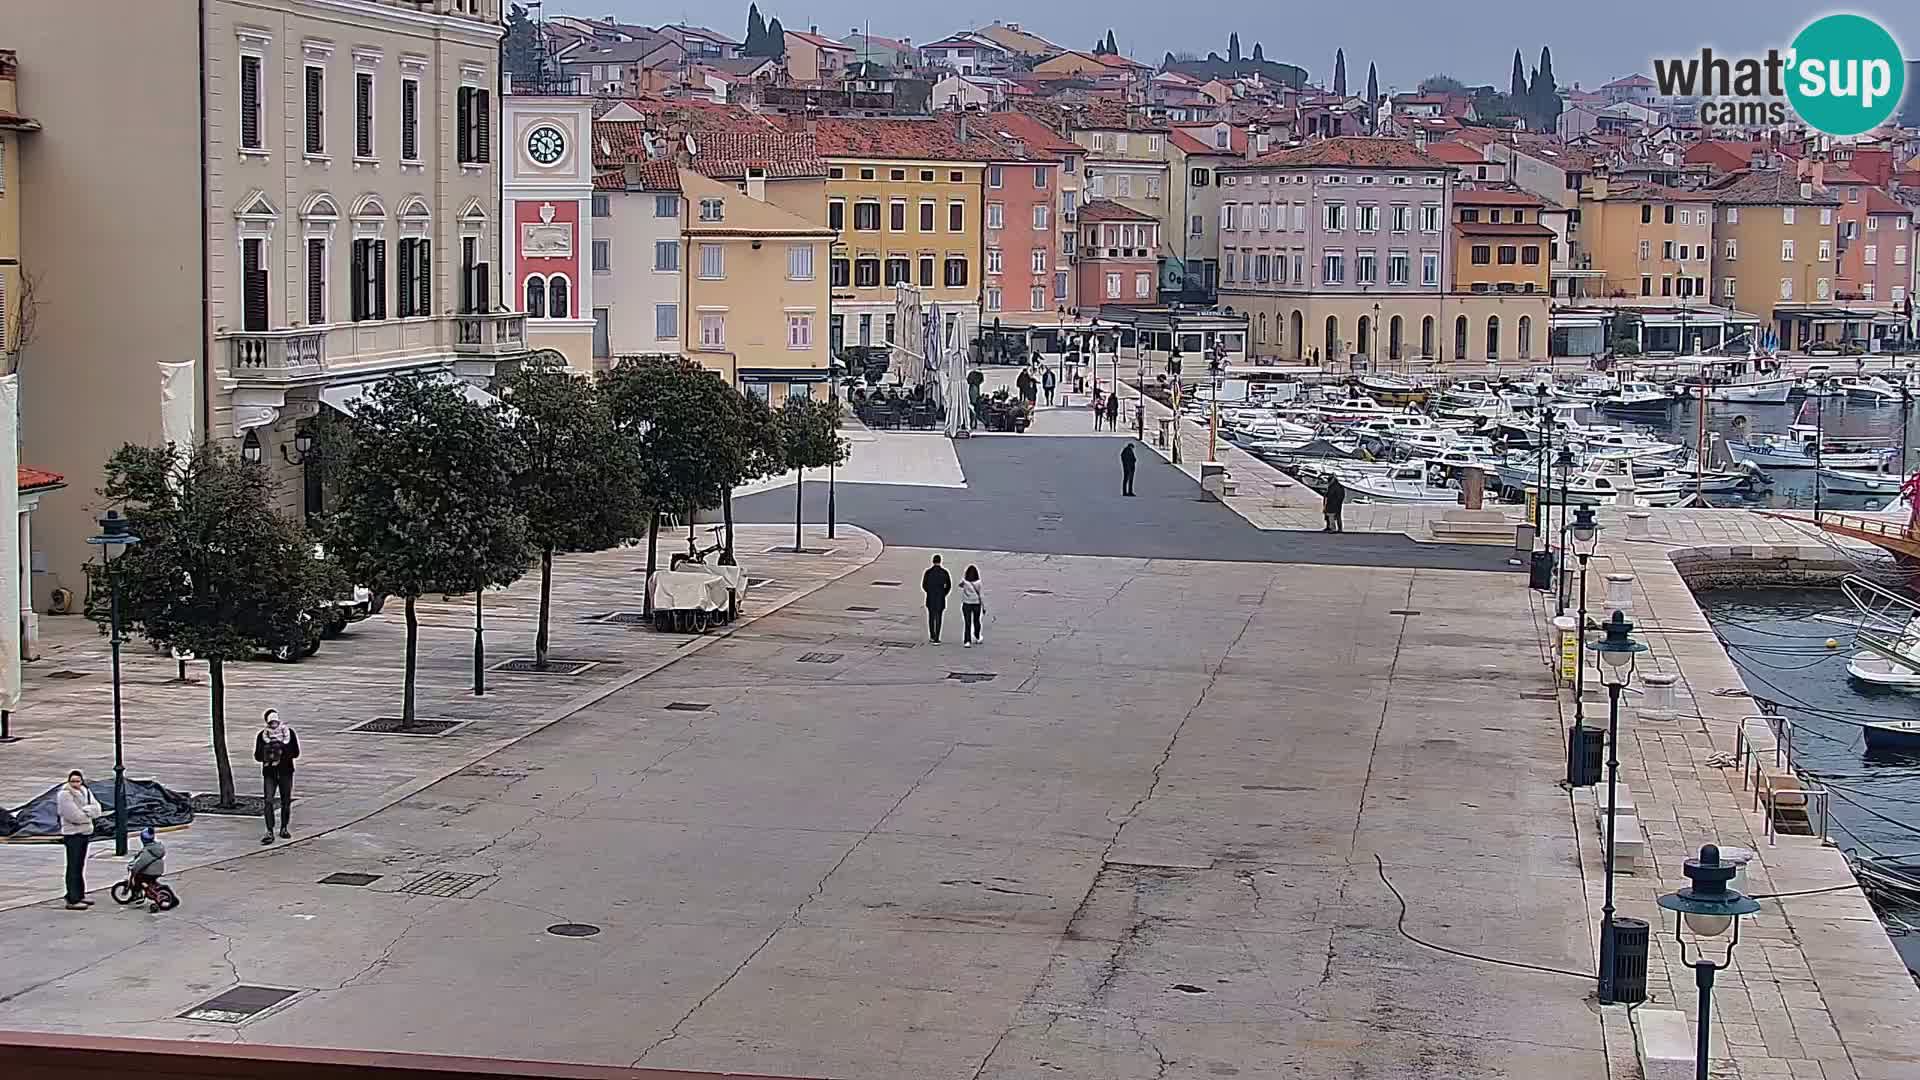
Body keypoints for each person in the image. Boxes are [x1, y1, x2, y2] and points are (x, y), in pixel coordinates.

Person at [254, 709, 300, 843]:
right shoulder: (262, 736)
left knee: (286, 801)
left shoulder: (289, 733)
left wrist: (281, 749)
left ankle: (284, 827)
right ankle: (269, 830)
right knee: (268, 800)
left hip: (286, 771)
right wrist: (268, 752)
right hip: (270, 773)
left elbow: (295, 752)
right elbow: (257, 756)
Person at [57, 770, 101, 910]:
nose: (76, 783)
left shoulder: (85, 791)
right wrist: (88, 815)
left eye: (78, 780)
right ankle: (72, 898)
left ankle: (80, 894)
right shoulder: (64, 795)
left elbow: (97, 809)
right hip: (72, 834)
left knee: (80, 865)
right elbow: (73, 816)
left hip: (84, 833)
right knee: (73, 866)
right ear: (68, 781)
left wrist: (86, 812)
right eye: (73, 781)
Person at [921, 555, 952, 644]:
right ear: (940, 561)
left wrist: (929, 592)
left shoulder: (928, 572)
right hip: (940, 598)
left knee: (931, 617)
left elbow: (924, 585)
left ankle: (932, 635)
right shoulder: (944, 572)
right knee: (939, 617)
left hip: (930, 597)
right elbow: (949, 585)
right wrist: (944, 594)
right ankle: (937, 638)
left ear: (933, 561)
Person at [958, 565, 987, 647]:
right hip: (976, 604)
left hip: (966, 604)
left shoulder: (964, 581)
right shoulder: (978, 583)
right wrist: (984, 607)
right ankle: (977, 636)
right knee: (976, 621)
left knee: (967, 623)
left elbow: (960, 585)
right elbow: (981, 595)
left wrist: (964, 582)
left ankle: (967, 641)